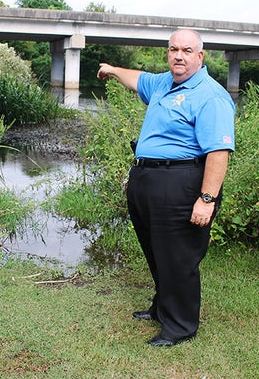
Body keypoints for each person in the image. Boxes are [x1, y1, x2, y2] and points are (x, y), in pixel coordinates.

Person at [97, 28, 235, 347]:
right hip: (148, 180)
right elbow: (139, 79)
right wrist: (113, 70)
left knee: (178, 257)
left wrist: (206, 199)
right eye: (173, 49)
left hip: (182, 182)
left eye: (187, 50)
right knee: (157, 251)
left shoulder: (210, 96)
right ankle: (163, 309)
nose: (179, 55)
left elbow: (218, 152)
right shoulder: (163, 83)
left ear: (200, 56)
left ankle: (181, 326)